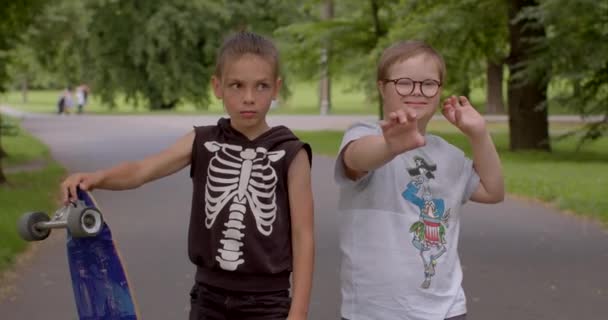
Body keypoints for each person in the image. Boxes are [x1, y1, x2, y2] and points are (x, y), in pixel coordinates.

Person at [61, 31, 314, 320]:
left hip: (269, 304)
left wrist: (299, 313)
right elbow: (142, 170)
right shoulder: (202, 141)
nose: (248, 98)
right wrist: (97, 177)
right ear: (217, 87)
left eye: (261, 86)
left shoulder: (290, 152)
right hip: (209, 299)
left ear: (276, 89)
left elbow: (303, 235)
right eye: (236, 85)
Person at [334, 40, 504, 320]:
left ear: (439, 90)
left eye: (428, 84)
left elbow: (493, 191)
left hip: (447, 310)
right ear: (381, 88)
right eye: (404, 83)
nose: (416, 91)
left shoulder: (448, 154)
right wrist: (391, 146)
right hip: (374, 311)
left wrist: (478, 134)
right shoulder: (366, 134)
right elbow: (356, 159)